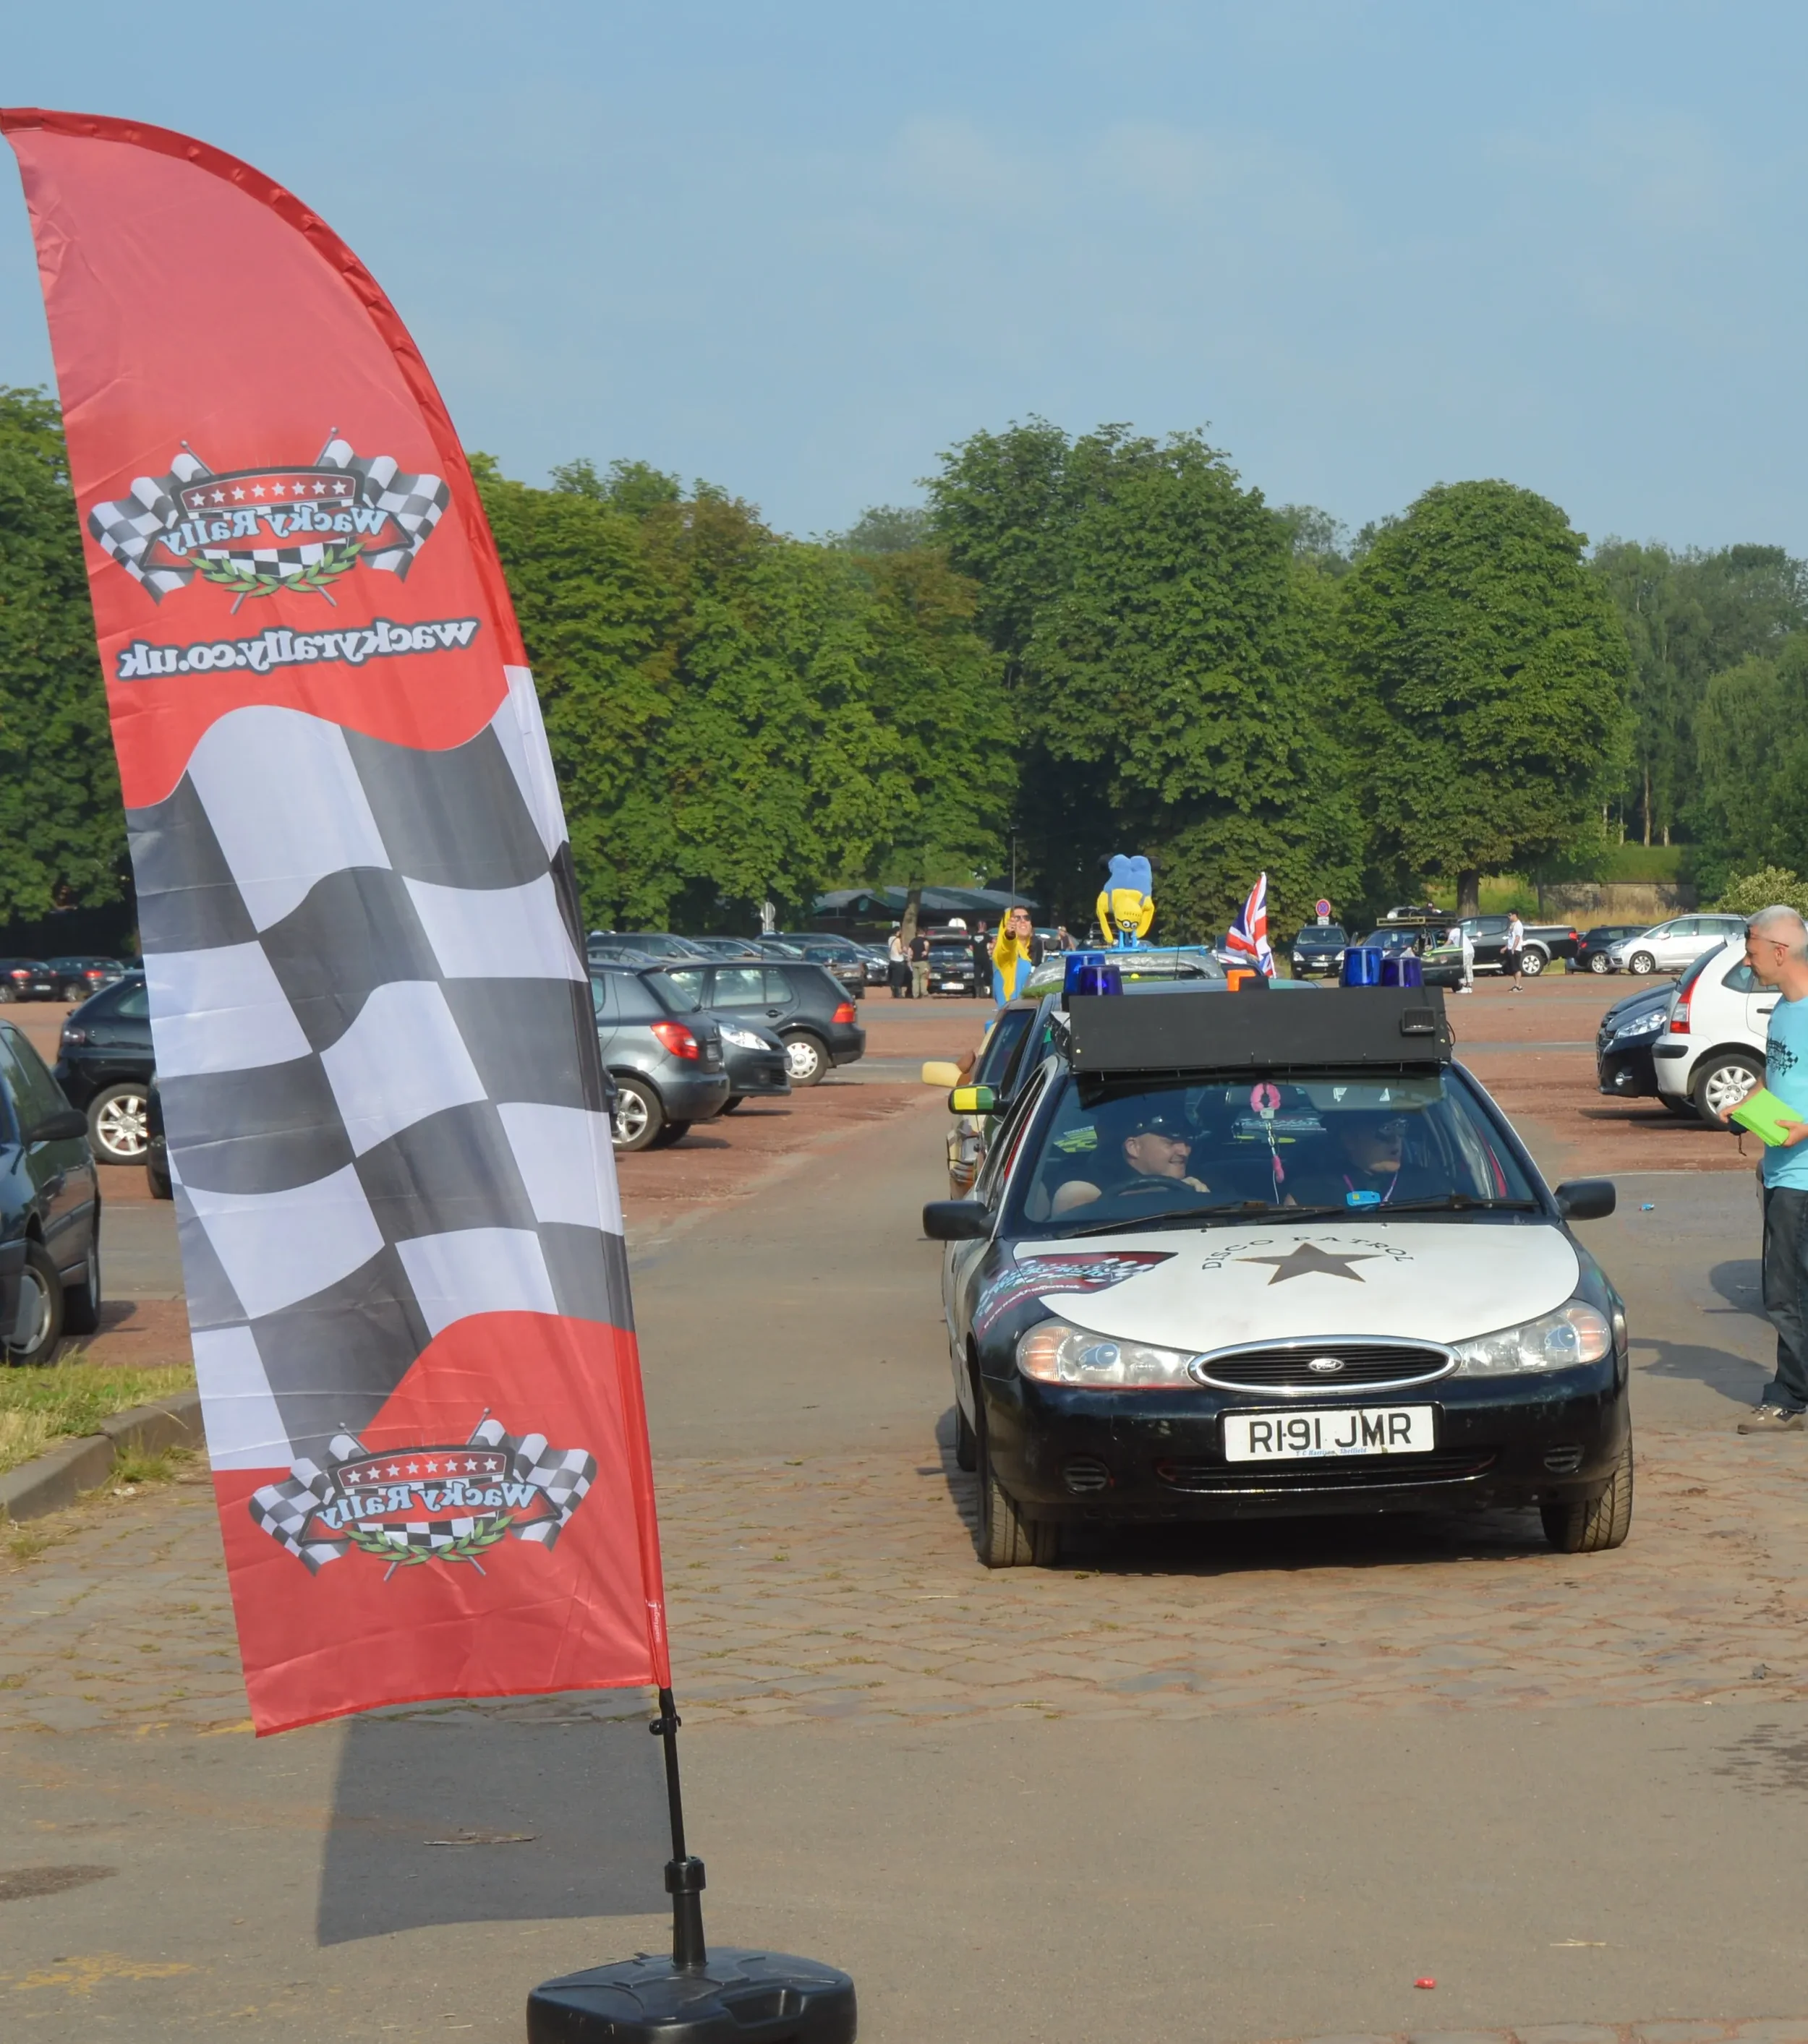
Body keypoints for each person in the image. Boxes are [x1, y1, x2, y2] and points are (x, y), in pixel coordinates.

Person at [1726, 905, 1808, 1432]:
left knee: (1786, 1294)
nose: (1748, 958)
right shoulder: (1783, 1008)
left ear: (1781, 950)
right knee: (1789, 1290)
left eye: (1753, 948)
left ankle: (1791, 1398)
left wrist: (1796, 1129)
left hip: (1803, 1180)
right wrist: (1745, 1110)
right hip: (1779, 1171)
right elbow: (1775, 1079)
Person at [1050, 1108, 1212, 1216]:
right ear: (1133, 1147)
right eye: (1170, 1143)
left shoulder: (1202, 1176)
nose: (1184, 1152)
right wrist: (1165, 1191)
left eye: (1187, 1143)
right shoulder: (1091, 1178)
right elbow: (1074, 1209)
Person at [992, 905, 1044, 1003]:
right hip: (1011, 1014)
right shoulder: (1005, 952)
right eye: (1017, 918)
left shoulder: (1029, 953)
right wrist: (1009, 935)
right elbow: (1006, 946)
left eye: (1026, 918)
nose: (1023, 921)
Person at [886, 925, 909, 999]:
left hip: (892, 961)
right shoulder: (898, 940)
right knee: (899, 979)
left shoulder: (890, 939)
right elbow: (899, 951)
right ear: (898, 932)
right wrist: (904, 950)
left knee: (893, 979)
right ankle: (899, 994)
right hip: (898, 961)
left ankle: (894, 993)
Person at [1504, 910, 1526, 990]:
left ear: (1514, 915)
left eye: (1510, 915)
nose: (1509, 917)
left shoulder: (1518, 925)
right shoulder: (1512, 924)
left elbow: (1517, 937)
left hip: (1516, 949)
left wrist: (1514, 948)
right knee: (1512, 969)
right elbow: (1511, 938)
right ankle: (1517, 985)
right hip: (1510, 948)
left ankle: (1518, 986)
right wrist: (1506, 947)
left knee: (1516, 968)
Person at [908, 925, 931, 1001]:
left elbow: (910, 951)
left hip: (914, 962)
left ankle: (915, 994)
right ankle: (924, 993)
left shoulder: (913, 941)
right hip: (923, 962)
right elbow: (927, 945)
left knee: (915, 979)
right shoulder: (925, 940)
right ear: (923, 933)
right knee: (923, 978)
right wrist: (926, 951)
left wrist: (909, 960)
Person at [969, 920, 992, 992]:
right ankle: (988, 990)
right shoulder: (986, 936)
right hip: (985, 958)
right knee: (988, 973)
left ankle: (977, 993)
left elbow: (970, 947)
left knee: (977, 975)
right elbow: (995, 941)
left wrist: (976, 951)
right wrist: (991, 949)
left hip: (977, 958)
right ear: (984, 926)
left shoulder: (973, 936)